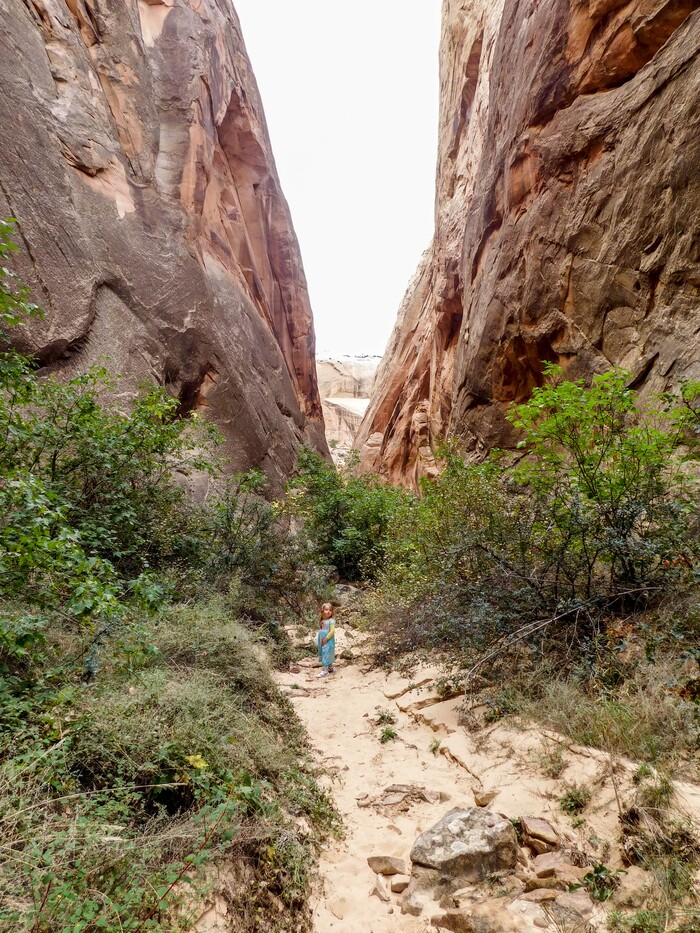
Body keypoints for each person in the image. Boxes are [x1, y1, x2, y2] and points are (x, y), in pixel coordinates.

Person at [315, 602, 336, 677]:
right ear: (322, 611)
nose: (328, 611)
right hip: (322, 640)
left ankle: (325, 671)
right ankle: (330, 667)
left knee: (326, 653)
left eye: (330, 610)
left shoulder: (331, 621)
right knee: (325, 652)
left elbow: (332, 631)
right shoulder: (322, 621)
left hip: (328, 640)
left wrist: (326, 638)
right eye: (326, 609)